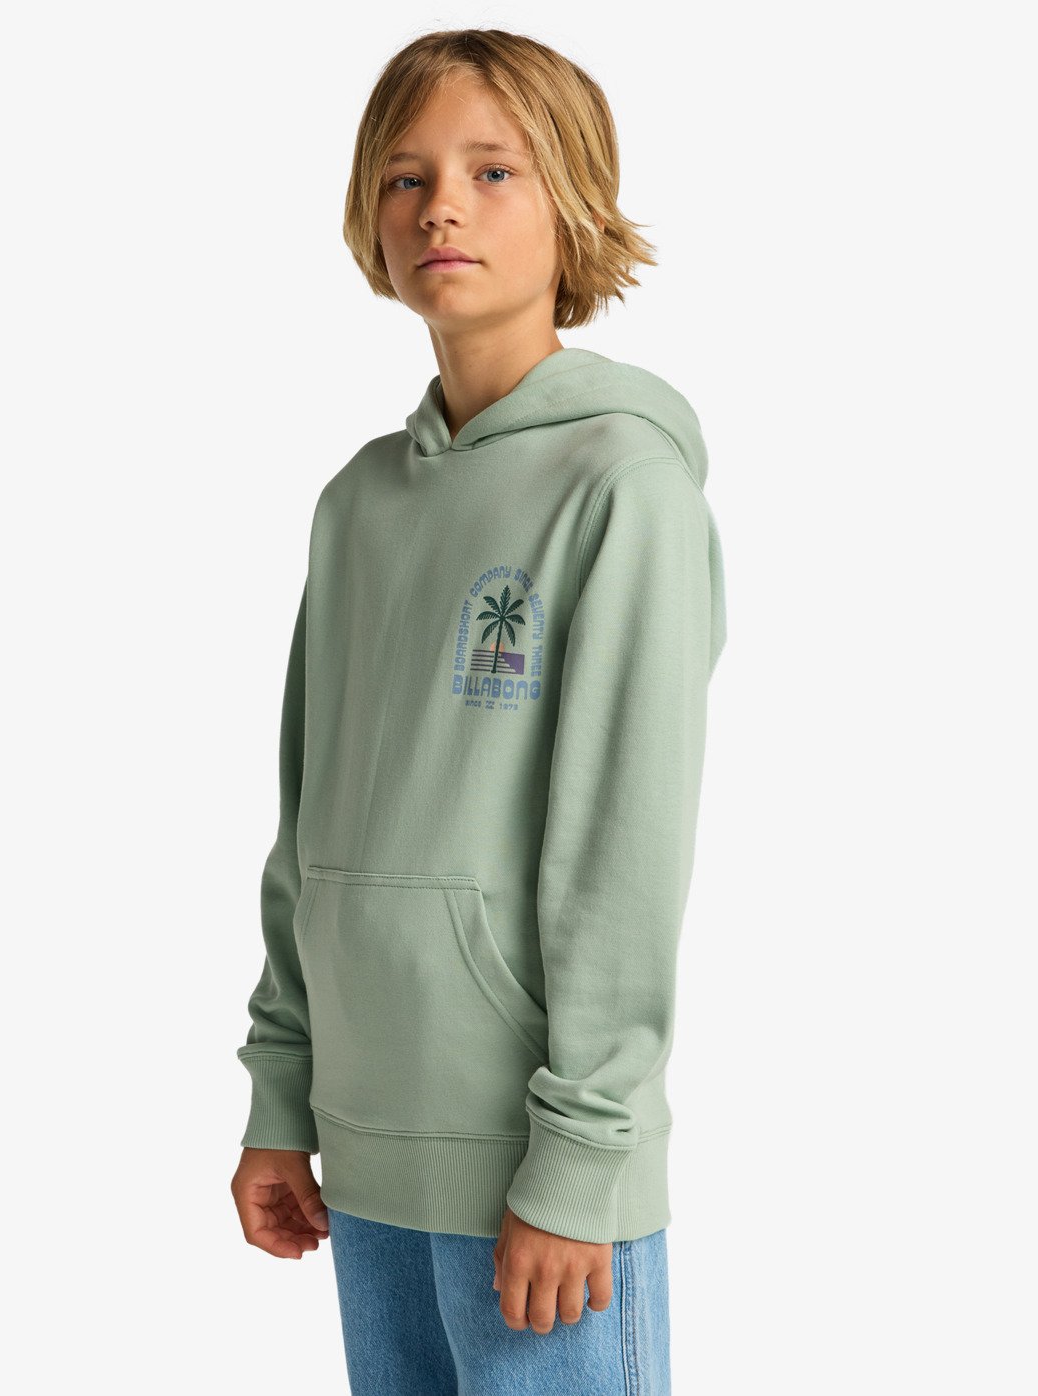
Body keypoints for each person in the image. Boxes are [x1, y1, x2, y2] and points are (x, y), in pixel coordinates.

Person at [229, 27, 727, 1395]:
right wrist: (283, 1091)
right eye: (405, 177)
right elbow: (310, 817)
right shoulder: (359, 501)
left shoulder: (621, 485)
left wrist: (583, 1156)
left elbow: (622, 851)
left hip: (533, 1171)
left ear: (573, 204)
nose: (440, 206)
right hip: (362, 1143)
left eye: (492, 170)